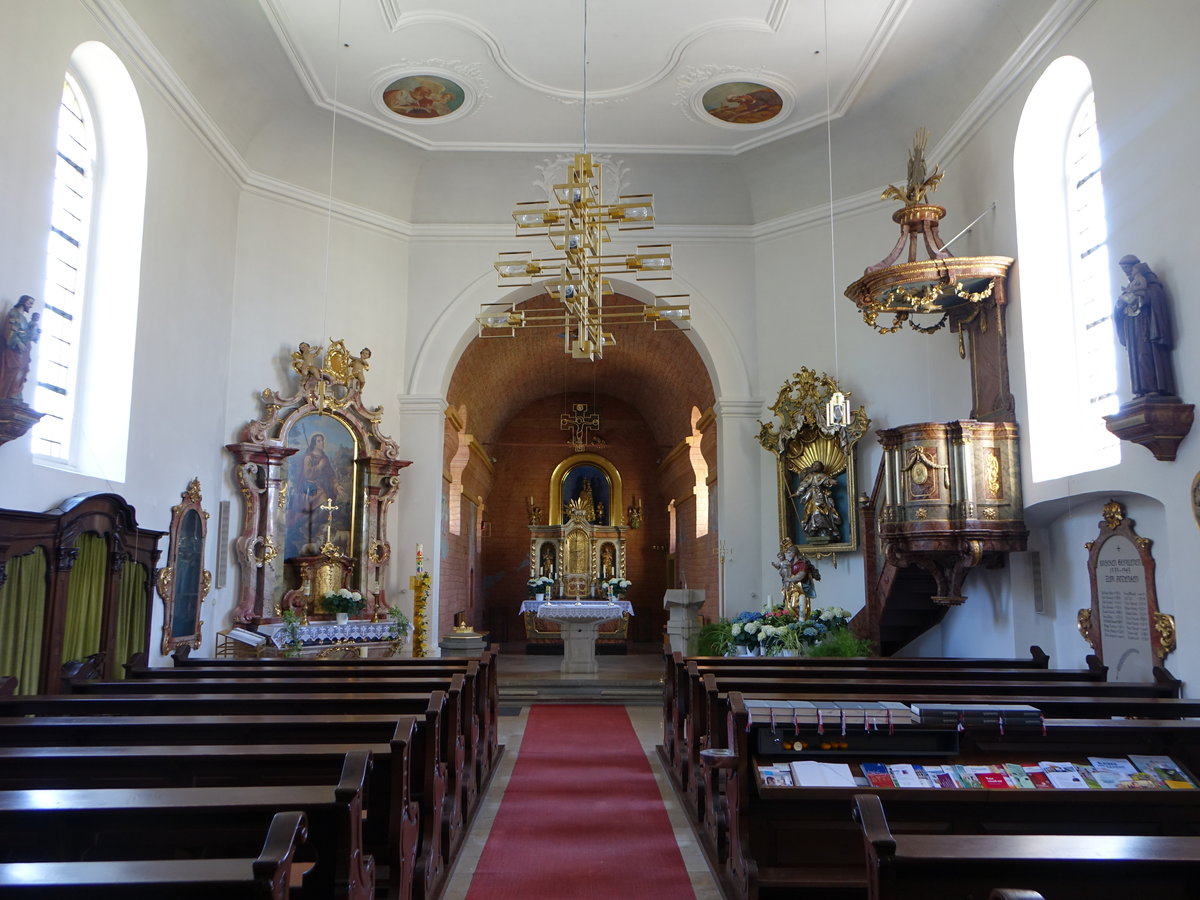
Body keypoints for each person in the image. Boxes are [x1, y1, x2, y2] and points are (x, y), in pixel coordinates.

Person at [1114, 254, 1176, 398]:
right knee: (1134, 357)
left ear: (1136, 266)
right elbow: (1119, 309)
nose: (1127, 273)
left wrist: (1141, 297)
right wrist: (1120, 304)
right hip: (1131, 327)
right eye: (1124, 271)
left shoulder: (1150, 283)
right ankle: (1140, 389)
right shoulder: (1130, 287)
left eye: (1128, 269)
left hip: (1145, 326)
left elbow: (1155, 297)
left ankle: (1153, 387)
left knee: (1145, 354)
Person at [0, 295, 41, 400]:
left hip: (23, 352)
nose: (31, 306)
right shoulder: (14, 314)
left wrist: (34, 327)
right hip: (14, 349)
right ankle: (8, 393)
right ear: (23, 302)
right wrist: (17, 342)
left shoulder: (25, 320)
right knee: (15, 368)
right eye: (29, 303)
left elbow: (29, 336)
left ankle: (15, 392)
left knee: (23, 370)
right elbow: (9, 330)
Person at [791, 461, 842, 540]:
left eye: (818, 465)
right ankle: (812, 529)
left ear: (821, 467)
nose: (815, 467)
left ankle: (824, 531)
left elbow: (826, 481)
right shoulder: (809, 476)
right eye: (814, 465)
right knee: (810, 514)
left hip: (820, 498)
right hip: (811, 498)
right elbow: (803, 485)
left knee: (822, 512)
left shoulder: (822, 476)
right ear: (811, 467)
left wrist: (830, 481)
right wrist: (797, 493)